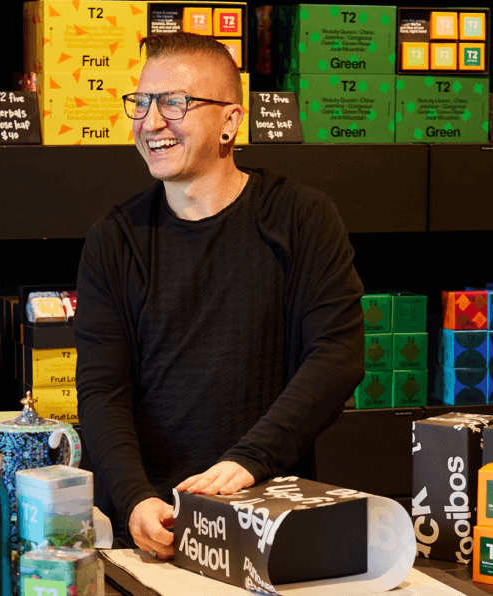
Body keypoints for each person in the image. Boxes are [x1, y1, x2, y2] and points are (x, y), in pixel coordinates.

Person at [74, 32, 364, 560]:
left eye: (174, 103)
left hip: (268, 519)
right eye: (141, 103)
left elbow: (337, 357)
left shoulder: (301, 218)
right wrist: (135, 499)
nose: (151, 121)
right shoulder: (114, 239)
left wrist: (249, 461)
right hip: (150, 532)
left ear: (231, 121)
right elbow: (102, 391)